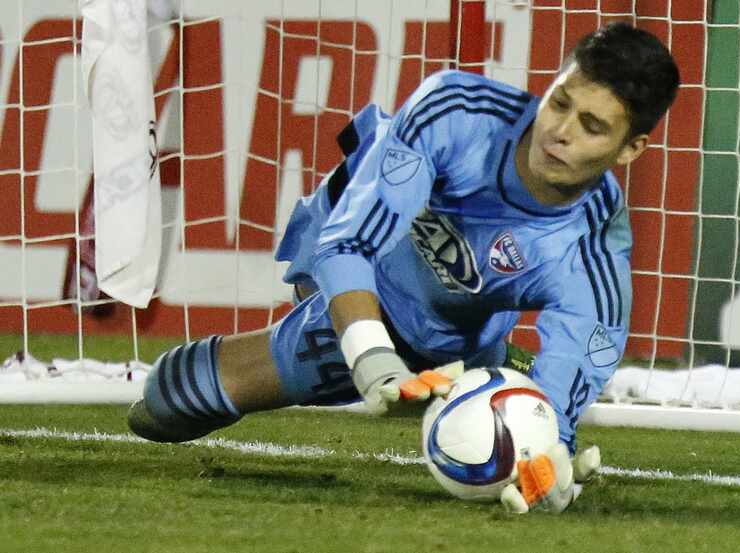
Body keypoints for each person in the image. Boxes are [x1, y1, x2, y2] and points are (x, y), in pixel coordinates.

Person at [127, 22, 679, 514]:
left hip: (443, 335)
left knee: (169, 405)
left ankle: (484, 367)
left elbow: (553, 420)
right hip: (348, 246)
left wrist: (546, 461)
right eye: (559, 103)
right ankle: (480, 362)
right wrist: (371, 358)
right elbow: (348, 245)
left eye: (592, 127)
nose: (561, 132)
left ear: (629, 150)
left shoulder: (593, 260)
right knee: (166, 403)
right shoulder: (456, 112)